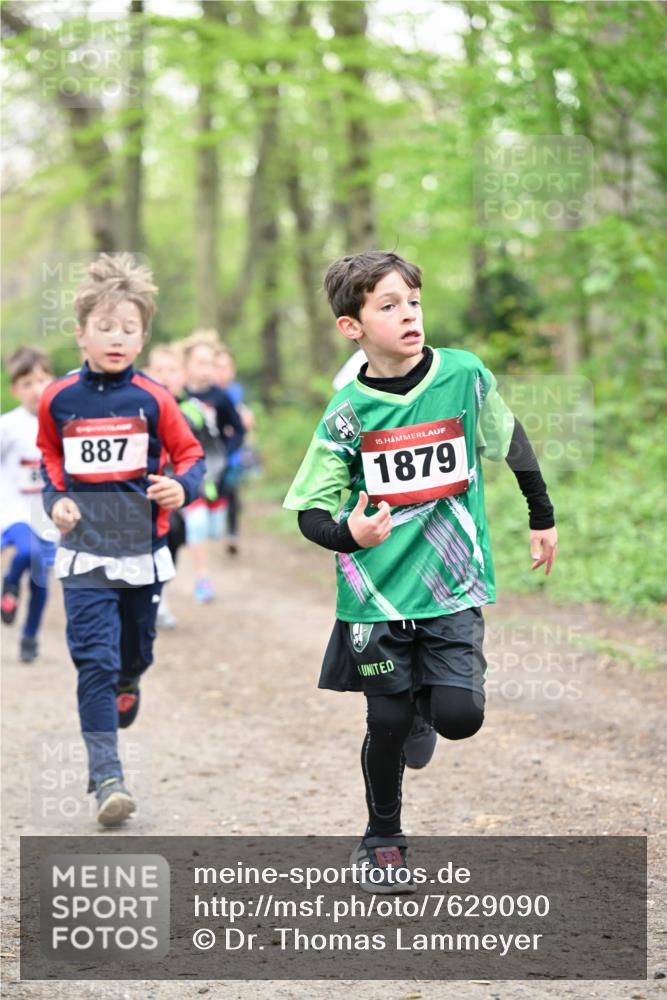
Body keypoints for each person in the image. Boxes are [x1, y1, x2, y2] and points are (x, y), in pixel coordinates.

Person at [284, 250, 557, 892]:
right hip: (374, 595)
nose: (409, 315)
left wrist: (540, 514)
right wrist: (346, 531)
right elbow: (310, 512)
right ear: (352, 327)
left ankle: (428, 712)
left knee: (461, 715)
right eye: (388, 306)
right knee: (385, 722)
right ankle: (383, 836)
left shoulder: (463, 376)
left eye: (413, 301)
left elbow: (510, 440)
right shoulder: (346, 414)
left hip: (451, 580)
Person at [37, 253, 205, 827]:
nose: (116, 338)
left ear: (142, 337)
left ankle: (132, 677)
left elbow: (190, 455)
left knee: (135, 654)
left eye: (129, 329)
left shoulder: (156, 398)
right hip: (85, 551)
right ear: (82, 332)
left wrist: (181, 488)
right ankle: (107, 775)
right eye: (105, 327)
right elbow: (51, 458)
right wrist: (54, 500)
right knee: (94, 663)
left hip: (142, 550)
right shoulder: (58, 399)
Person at [1, 348, 57, 662]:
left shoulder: (62, 423)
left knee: (40, 579)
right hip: (14, 511)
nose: (35, 389)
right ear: (15, 390)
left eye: (40, 380)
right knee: (28, 552)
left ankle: (30, 636)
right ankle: (9, 583)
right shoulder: (8, 426)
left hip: (48, 513)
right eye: (26, 384)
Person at [181, 334, 244, 600]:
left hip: (216, 472)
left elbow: (238, 430)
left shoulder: (220, 396)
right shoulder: (177, 395)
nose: (206, 369)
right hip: (188, 469)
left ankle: (206, 545)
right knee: (196, 524)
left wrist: (226, 455)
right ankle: (202, 579)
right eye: (200, 362)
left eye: (210, 363)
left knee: (213, 530)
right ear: (187, 364)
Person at [212, 345, 255, 555]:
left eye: (226, 367)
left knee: (231, 489)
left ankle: (232, 532)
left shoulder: (235, 391)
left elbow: (244, 418)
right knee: (218, 490)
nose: (222, 372)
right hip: (212, 452)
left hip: (234, 452)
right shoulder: (208, 393)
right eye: (218, 367)